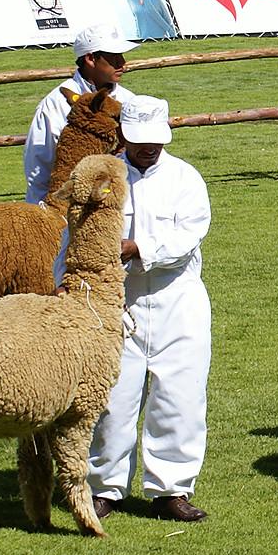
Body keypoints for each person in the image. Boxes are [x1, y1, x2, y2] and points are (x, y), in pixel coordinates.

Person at [87, 93, 212, 523]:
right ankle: (104, 488)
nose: (148, 148)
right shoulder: (101, 178)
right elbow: (76, 236)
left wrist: (138, 247)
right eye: (140, 140)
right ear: (122, 133)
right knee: (112, 398)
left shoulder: (186, 179)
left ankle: (171, 490)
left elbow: (187, 238)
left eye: (156, 140)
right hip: (117, 300)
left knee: (180, 395)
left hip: (178, 298)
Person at [25, 23, 135, 205]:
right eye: (113, 57)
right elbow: (38, 166)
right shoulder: (55, 104)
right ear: (91, 59)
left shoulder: (128, 100)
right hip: (69, 204)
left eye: (121, 56)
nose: (122, 63)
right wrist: (46, 214)